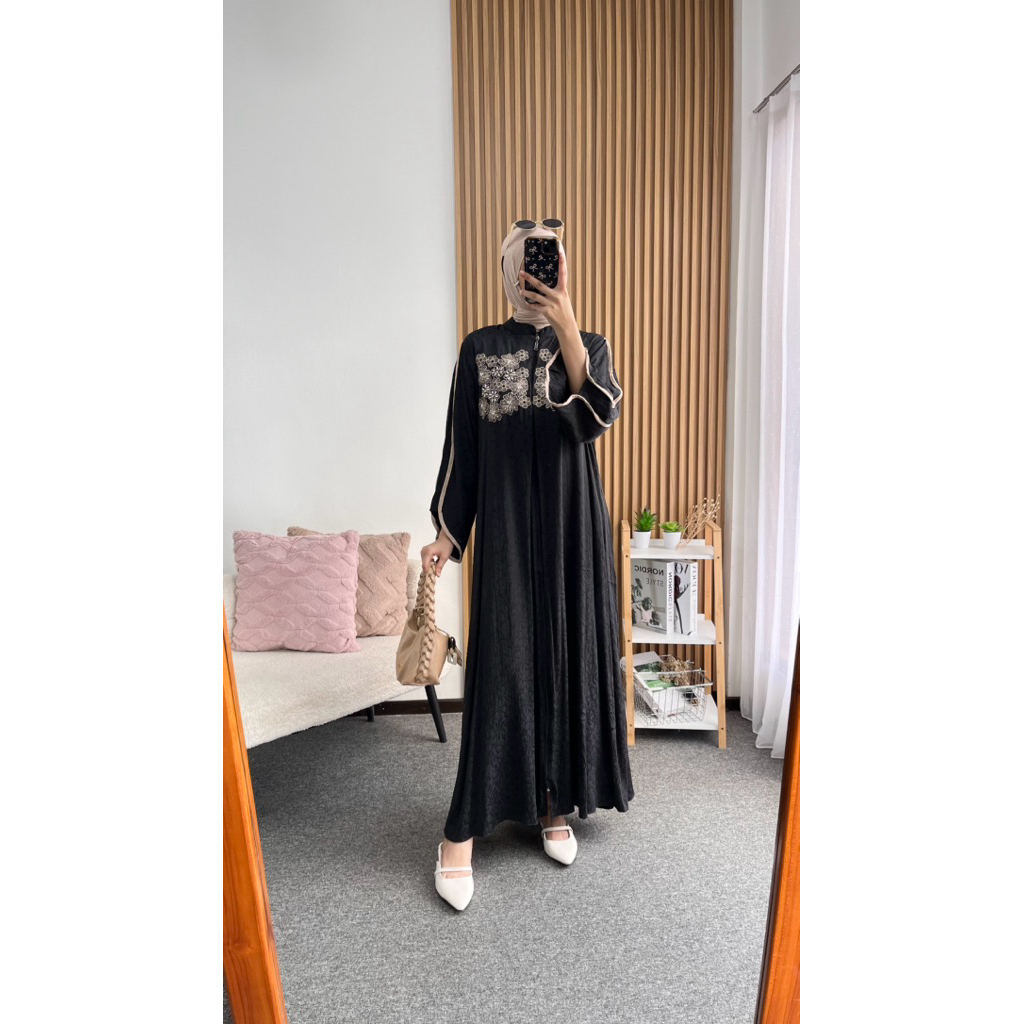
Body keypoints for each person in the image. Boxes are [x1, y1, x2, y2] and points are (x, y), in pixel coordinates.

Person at [423, 219, 634, 911]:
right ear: (508, 268)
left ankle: (551, 802)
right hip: (509, 528)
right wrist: (448, 533)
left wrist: (566, 323)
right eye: (527, 259)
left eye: (550, 260)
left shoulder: (590, 345)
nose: (538, 271)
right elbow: (463, 447)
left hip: (573, 529)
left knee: (565, 658)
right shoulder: (480, 348)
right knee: (506, 661)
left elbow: (595, 416)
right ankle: (459, 832)